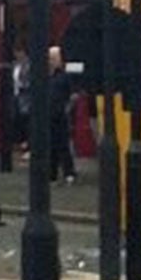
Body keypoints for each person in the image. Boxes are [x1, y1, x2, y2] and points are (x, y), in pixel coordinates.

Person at [47, 46, 77, 182]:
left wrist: (68, 108)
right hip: (49, 114)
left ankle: (69, 172)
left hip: (61, 114)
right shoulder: (46, 75)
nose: (52, 61)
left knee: (63, 144)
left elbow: (73, 94)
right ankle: (52, 174)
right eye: (50, 58)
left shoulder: (66, 74)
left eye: (54, 58)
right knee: (51, 145)